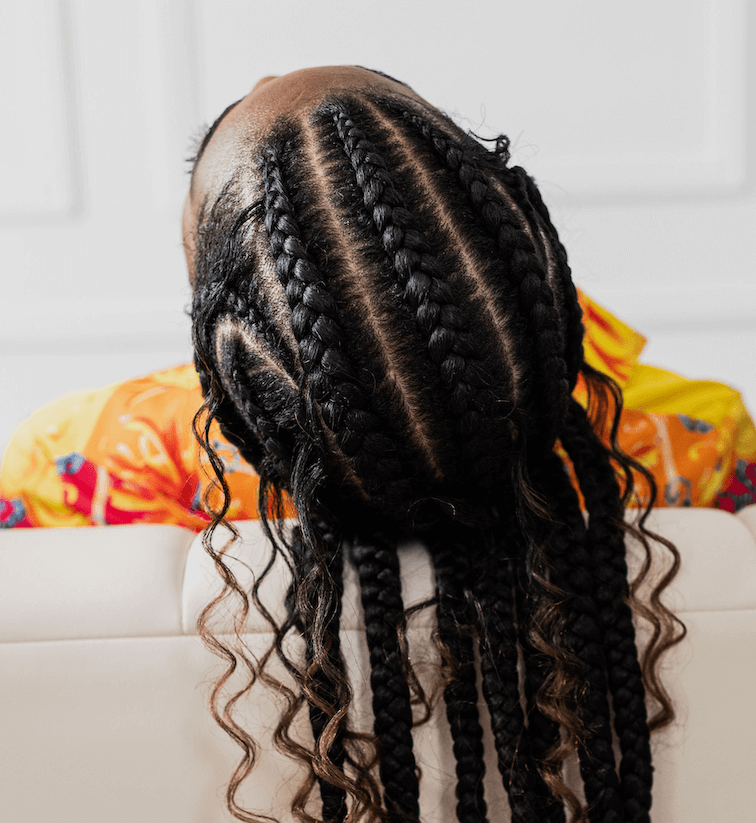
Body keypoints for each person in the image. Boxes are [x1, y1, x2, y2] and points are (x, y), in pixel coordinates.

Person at [0, 66, 753, 822]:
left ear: (223, 340)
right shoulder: (698, 443)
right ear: (519, 238)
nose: (266, 74)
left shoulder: (75, 466)